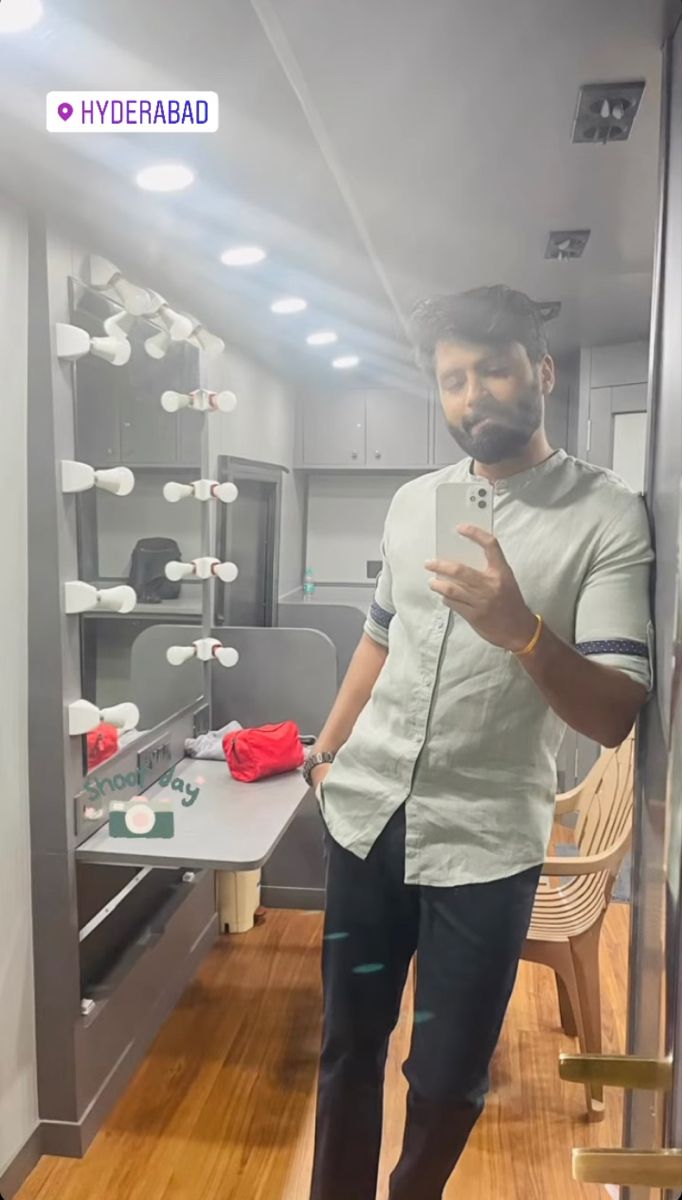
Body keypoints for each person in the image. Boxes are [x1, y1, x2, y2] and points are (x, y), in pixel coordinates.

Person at [302, 285, 653, 1200]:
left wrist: (524, 630)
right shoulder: (413, 503)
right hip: (366, 825)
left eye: (492, 369)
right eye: (452, 380)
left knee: (449, 1078)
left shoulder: (609, 516)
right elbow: (380, 635)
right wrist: (327, 753)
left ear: (540, 371)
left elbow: (615, 713)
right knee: (348, 1045)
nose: (473, 396)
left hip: (485, 848)